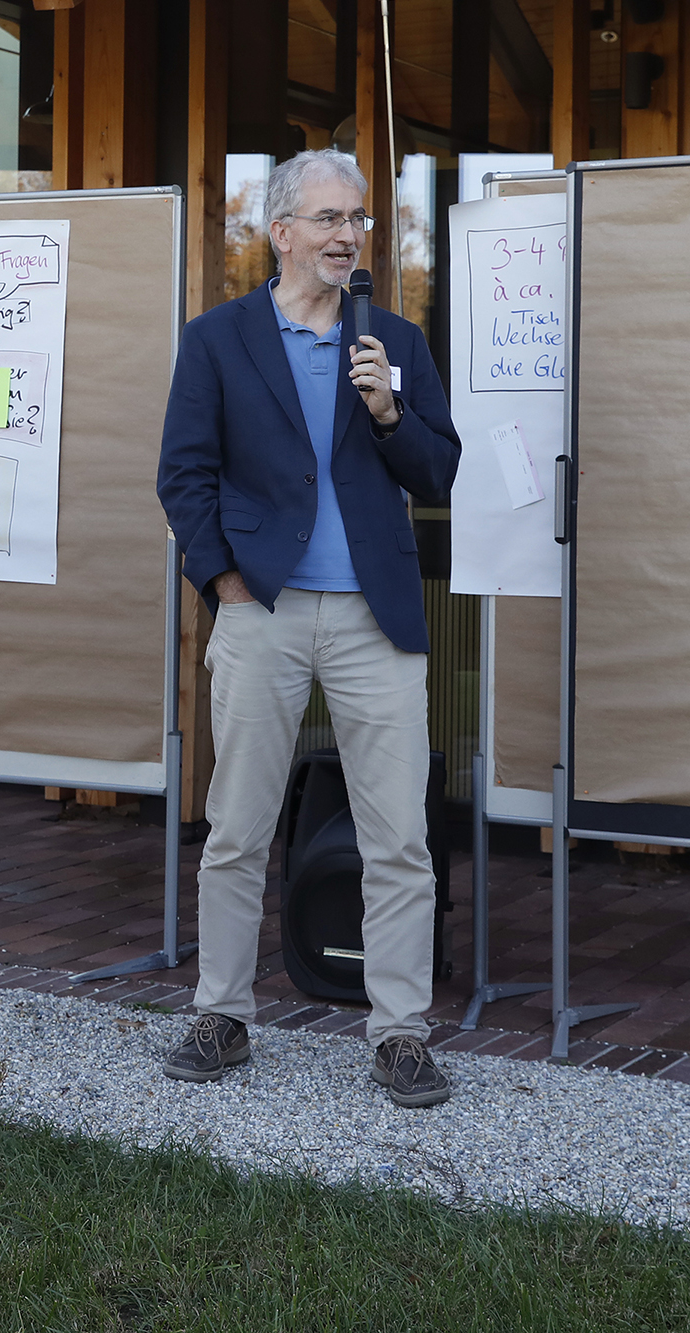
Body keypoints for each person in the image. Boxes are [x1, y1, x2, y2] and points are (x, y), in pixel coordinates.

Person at [155, 148, 462, 1107]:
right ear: (279, 232)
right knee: (237, 826)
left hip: (375, 617)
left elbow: (437, 472)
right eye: (327, 219)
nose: (347, 236)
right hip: (265, 610)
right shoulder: (218, 339)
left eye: (359, 219)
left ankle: (401, 1033)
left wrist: (385, 409)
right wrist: (224, 582)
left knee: (398, 836)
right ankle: (222, 1014)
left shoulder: (396, 344)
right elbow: (183, 475)